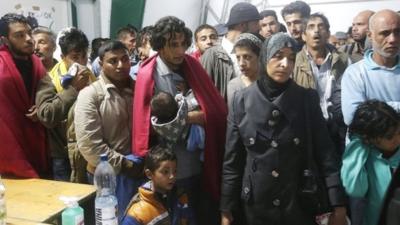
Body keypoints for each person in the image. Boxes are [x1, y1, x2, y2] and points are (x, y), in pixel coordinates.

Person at [221, 32, 347, 225]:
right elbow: (233, 161)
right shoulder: (242, 100)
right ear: (265, 57)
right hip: (256, 206)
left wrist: (337, 202)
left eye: (291, 58)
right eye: (278, 56)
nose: (285, 64)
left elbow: (325, 153)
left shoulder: (306, 99)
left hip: (297, 203)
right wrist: (227, 209)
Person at [133, 16, 227, 224]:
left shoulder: (191, 64)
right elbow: (148, 127)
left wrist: (194, 117)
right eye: (173, 45)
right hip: (171, 169)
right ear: (159, 46)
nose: (179, 51)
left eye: (183, 44)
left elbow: (216, 110)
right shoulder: (149, 75)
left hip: (200, 161)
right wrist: (195, 117)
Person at [74, 40, 143, 216]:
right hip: (107, 175)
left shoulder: (140, 89)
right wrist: (125, 164)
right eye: (113, 61)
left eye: (125, 59)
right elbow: (90, 145)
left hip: (139, 170)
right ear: (100, 64)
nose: (121, 65)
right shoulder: (91, 95)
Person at [36, 27, 96, 181]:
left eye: (84, 56)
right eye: (75, 57)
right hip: (62, 155)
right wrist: (73, 88)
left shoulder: (90, 76)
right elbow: (47, 115)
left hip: (87, 149)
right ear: (63, 56)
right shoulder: (50, 79)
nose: (81, 61)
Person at [0, 13, 49, 178]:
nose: (29, 39)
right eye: (19, 35)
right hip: (9, 143)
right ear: (5, 40)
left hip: (39, 138)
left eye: (29, 32)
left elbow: (47, 95)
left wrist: (41, 108)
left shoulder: (36, 62)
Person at [292, 13, 349, 155]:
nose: (316, 31)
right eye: (311, 27)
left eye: (321, 26)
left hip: (338, 128)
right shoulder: (293, 62)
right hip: (307, 128)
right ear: (304, 35)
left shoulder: (344, 61)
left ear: (328, 33)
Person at [341, 100, 400, 225]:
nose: (397, 139)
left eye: (399, 132)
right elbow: (354, 188)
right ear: (371, 138)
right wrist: (358, 143)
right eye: (390, 137)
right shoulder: (366, 158)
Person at [341, 9, 400, 126]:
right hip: (369, 144)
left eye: (398, 32)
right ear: (370, 35)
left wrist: (372, 109)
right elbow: (353, 117)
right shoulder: (355, 73)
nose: (392, 39)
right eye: (385, 33)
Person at [201, 2, 260, 100]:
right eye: (255, 23)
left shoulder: (257, 50)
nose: (259, 27)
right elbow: (203, 93)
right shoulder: (211, 55)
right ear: (242, 25)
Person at [121, 145, 193, 225]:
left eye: (175, 171)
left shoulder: (180, 196)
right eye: (165, 172)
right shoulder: (138, 212)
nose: (172, 176)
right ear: (149, 174)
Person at [227, 33, 262, 107]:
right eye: (238, 58)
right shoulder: (234, 86)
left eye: (247, 57)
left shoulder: (271, 82)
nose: (241, 63)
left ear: (259, 57)